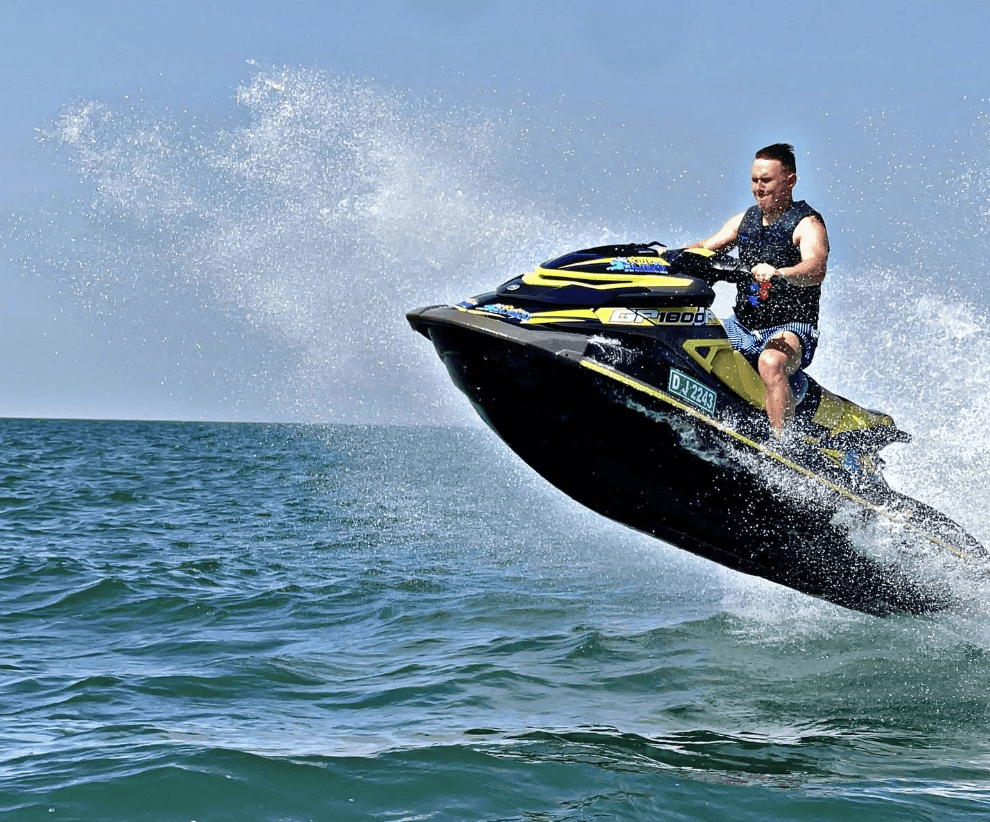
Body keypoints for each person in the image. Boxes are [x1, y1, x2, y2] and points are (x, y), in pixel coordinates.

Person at [691, 143, 829, 435]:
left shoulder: (807, 224)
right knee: (691, 330)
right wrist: (670, 257)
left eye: (766, 180)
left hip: (790, 330)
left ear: (789, 180)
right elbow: (704, 248)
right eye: (755, 180)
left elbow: (815, 268)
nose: (759, 188)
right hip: (742, 327)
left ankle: (783, 445)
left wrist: (779, 273)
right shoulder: (745, 221)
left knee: (770, 361)